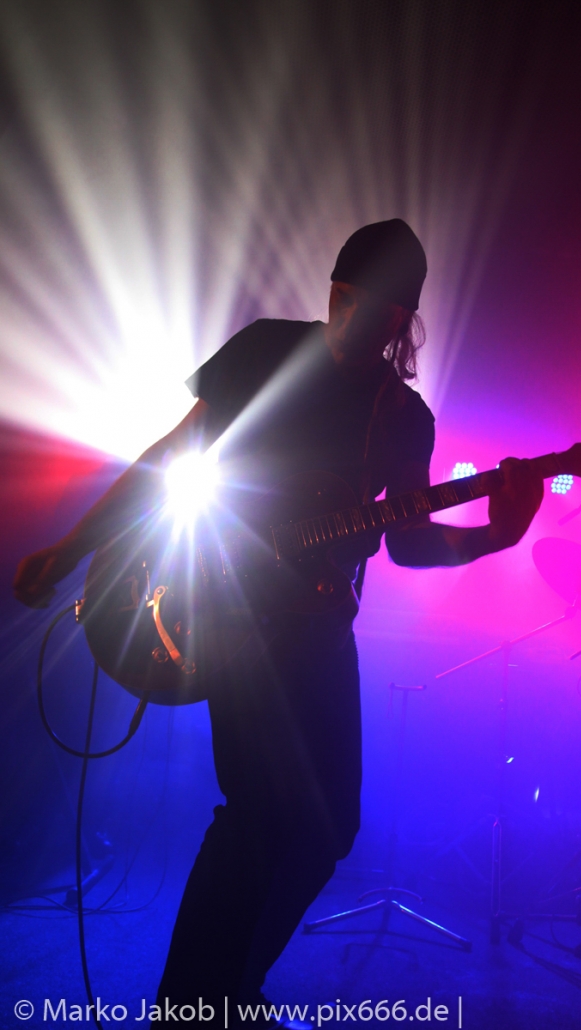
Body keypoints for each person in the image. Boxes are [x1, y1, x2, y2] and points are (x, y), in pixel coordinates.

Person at [14, 220, 543, 1027]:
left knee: (330, 828)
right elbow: (168, 458)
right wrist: (73, 544)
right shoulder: (266, 350)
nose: (349, 318)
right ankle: (192, 1007)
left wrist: (495, 537)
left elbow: (407, 542)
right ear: (333, 289)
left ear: (400, 319)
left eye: (373, 309)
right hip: (231, 612)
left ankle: (224, 991)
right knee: (257, 813)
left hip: (322, 632)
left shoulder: (402, 416)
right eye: (342, 298)